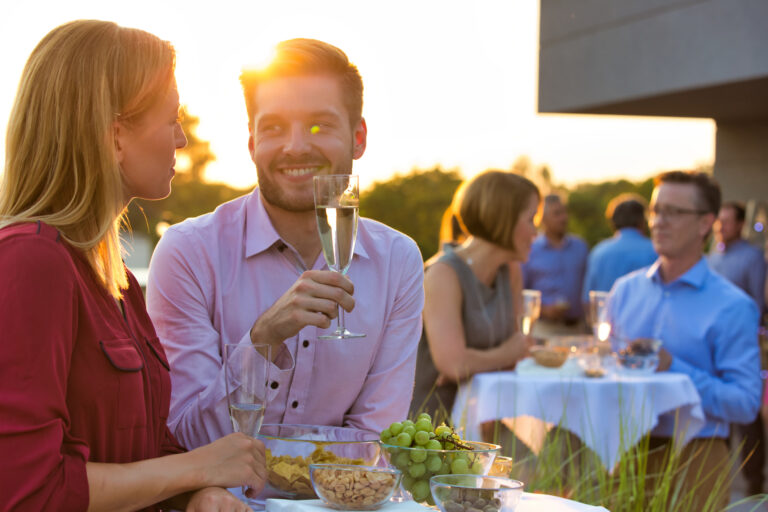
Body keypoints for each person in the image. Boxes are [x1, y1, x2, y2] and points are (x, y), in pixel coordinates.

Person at [0, 20, 265, 511]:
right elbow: (27, 492)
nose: (182, 139)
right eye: (172, 119)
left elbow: (145, 452)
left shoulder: (114, 279)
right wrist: (201, 467)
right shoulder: (29, 262)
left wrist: (197, 494)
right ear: (116, 134)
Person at [146, 39, 425, 450]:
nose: (295, 146)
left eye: (319, 125)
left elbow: (374, 444)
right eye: (274, 127)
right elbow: (183, 439)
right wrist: (262, 342)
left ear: (358, 137)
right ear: (252, 142)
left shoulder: (398, 262)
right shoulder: (188, 252)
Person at [606, 171, 761, 509]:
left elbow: (747, 403)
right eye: (655, 210)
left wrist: (675, 370)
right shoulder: (624, 292)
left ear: (706, 223)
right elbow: (604, 365)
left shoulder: (733, 306)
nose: (659, 222)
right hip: (621, 450)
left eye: (673, 212)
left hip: (697, 456)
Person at [410, 170, 538, 422]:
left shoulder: (510, 270)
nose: (536, 232)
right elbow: (454, 365)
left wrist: (473, 362)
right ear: (504, 218)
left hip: (490, 415)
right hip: (433, 426)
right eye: (531, 219)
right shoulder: (442, 274)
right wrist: (503, 354)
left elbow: (516, 354)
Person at [707, 200, 767, 495]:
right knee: (719, 415)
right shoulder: (711, 257)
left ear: (740, 224)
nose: (721, 227)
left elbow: (757, 303)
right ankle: (718, 478)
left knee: (747, 415)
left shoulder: (753, 257)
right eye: (719, 221)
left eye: (727, 221)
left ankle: (754, 481)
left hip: (741, 344)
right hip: (711, 347)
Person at [521, 194, 588, 335]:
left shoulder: (580, 247)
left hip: (577, 329)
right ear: (543, 219)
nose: (563, 218)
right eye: (557, 214)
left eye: (564, 212)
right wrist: (543, 310)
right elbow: (520, 293)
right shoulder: (530, 249)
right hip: (544, 330)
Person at [581, 193, 657, 305]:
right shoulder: (655, 250)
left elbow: (588, 300)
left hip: (606, 320)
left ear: (613, 222)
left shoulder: (598, 252)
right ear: (642, 221)